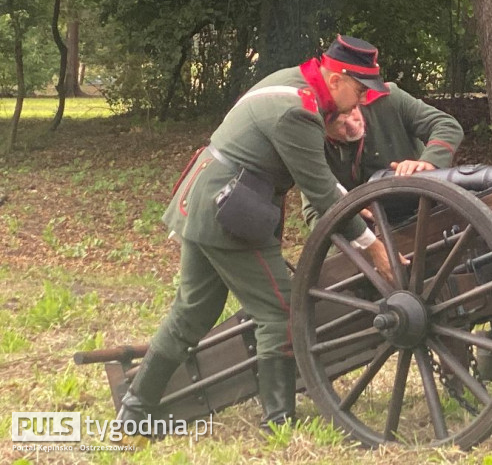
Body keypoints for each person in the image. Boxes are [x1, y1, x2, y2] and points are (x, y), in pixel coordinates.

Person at [119, 35, 398, 434]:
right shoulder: (298, 112)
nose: (360, 102)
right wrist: (375, 250)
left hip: (208, 199)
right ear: (336, 79)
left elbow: (320, 182)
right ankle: (278, 422)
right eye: (358, 90)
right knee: (280, 310)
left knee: (192, 311)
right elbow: (319, 190)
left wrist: (358, 204)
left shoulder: (292, 82)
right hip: (229, 209)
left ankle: (135, 408)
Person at [300, 80, 464, 227]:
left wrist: (428, 162)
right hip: (370, 232)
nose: (352, 124)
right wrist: (347, 222)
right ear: (323, 128)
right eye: (341, 125)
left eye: (351, 111)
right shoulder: (311, 144)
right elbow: (313, 210)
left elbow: (446, 126)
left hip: (429, 205)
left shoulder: (388, 99)